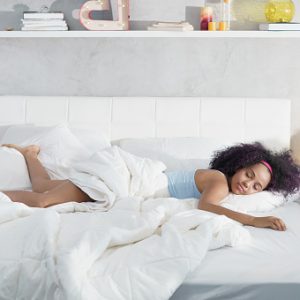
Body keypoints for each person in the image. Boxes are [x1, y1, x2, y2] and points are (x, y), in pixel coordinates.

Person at [1, 142, 300, 232]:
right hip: (129, 178)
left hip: (132, 179)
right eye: (248, 174)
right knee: (42, 201)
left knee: (43, 187)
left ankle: (29, 155)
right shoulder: (219, 181)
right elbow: (207, 207)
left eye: (256, 186)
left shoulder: (227, 186)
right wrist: (253, 220)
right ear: (240, 165)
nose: (247, 185)